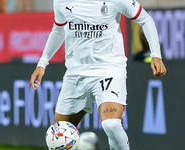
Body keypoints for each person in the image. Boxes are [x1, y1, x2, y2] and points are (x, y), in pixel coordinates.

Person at [30, 0, 167, 149]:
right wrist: (42, 63)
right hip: (76, 73)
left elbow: (145, 19)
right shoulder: (61, 1)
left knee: (112, 124)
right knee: (59, 137)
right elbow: (58, 30)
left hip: (108, 69)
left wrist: (156, 55)